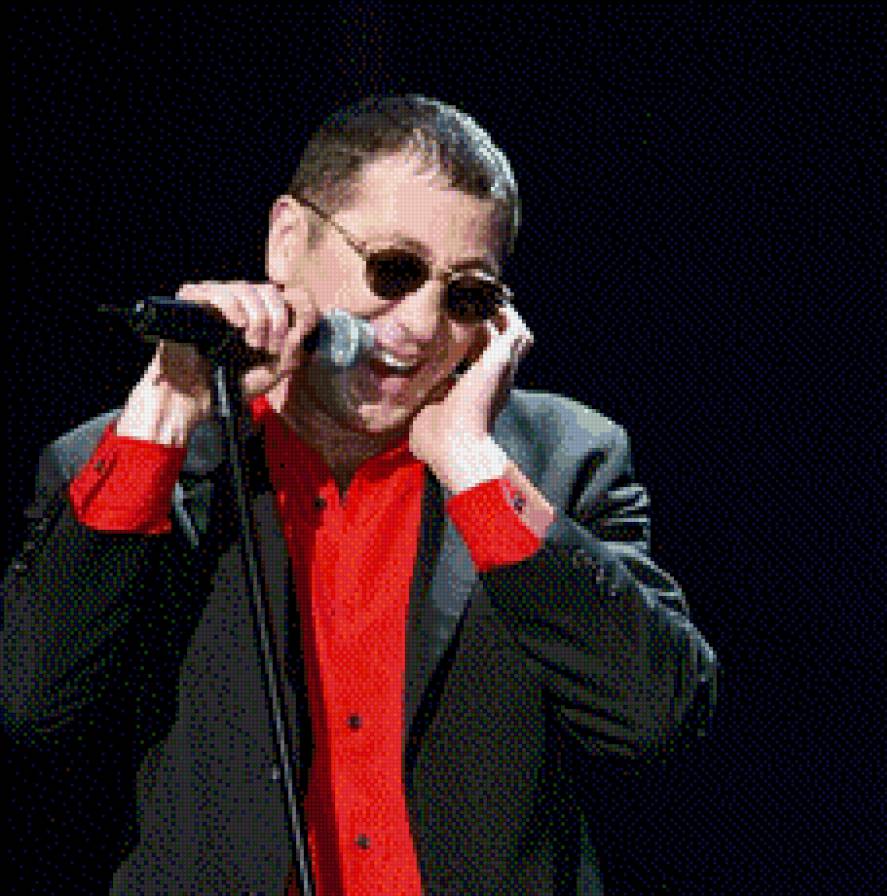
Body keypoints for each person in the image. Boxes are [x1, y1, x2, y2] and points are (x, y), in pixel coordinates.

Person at [2, 95, 719, 895]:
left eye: (466, 295)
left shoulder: (561, 463)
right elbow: (36, 704)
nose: (418, 327)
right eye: (394, 269)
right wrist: (167, 414)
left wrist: (473, 468)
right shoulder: (141, 465)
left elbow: (657, 720)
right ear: (288, 241)